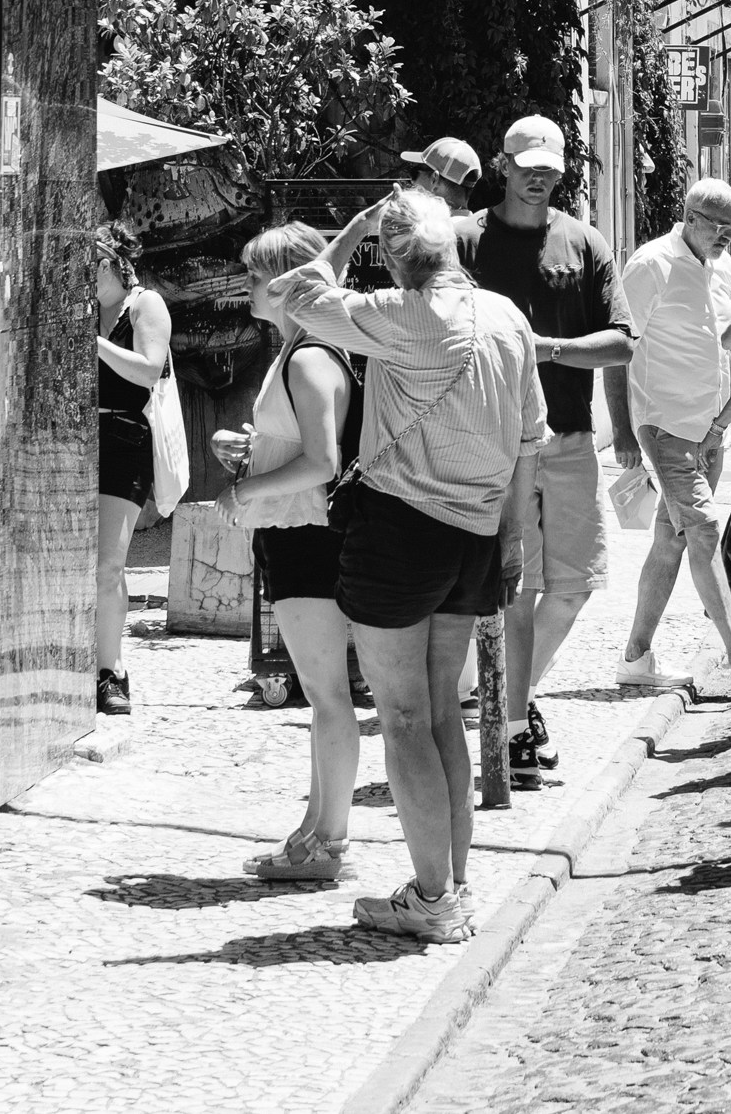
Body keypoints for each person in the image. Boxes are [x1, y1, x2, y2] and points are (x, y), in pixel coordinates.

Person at [272, 188, 545, 946]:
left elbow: (290, 293)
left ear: (392, 256)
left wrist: (351, 229)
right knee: (439, 715)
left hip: (401, 531)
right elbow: (529, 439)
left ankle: (430, 896)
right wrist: (514, 539)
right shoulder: (507, 315)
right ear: (455, 244)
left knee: (401, 717)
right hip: (477, 534)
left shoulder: (398, 313)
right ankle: (451, 882)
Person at [463, 114, 624, 790]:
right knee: (517, 590)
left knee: (575, 583)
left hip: (568, 435)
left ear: (562, 171)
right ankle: (513, 721)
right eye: (525, 163)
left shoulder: (583, 242)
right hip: (497, 442)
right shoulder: (465, 239)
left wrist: (548, 348)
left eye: (548, 167)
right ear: (503, 163)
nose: (536, 174)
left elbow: (620, 341)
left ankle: (513, 699)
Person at [222, 223, 359, 882]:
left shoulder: (308, 357)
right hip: (294, 532)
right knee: (322, 693)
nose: (246, 286)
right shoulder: (303, 349)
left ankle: (327, 843)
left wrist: (245, 487)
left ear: (284, 285)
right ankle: (313, 831)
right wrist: (251, 451)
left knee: (329, 695)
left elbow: (321, 461)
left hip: (308, 535)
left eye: (255, 275)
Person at [615, 178, 731, 696]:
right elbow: (620, 344)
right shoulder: (651, 264)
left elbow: (727, 347)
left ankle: (636, 656)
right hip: (664, 421)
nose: (724, 237)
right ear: (689, 215)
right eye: (716, 225)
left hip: (709, 429)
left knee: (670, 539)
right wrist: (621, 428)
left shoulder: (721, 266)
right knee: (703, 529)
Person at [93, 227, 174, 718]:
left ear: (111, 263)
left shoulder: (146, 305)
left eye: (92, 262)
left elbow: (149, 369)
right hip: (70, 442)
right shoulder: (75, 303)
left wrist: (95, 341)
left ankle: (112, 669)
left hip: (124, 440)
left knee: (109, 564)